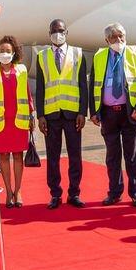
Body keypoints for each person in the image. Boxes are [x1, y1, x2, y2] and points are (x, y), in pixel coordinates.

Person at [90, 23, 136, 206]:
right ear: (107, 40)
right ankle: (114, 192)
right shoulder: (99, 57)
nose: (119, 39)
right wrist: (94, 111)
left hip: (129, 112)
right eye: (114, 37)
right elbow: (93, 84)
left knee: (132, 156)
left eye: (121, 35)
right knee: (112, 157)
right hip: (108, 113)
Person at [36, 19, 89, 209]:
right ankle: (55, 194)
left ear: (66, 32)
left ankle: (74, 193)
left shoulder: (78, 53)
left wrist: (83, 112)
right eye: (53, 31)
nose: (57, 34)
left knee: (75, 156)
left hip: (73, 114)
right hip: (51, 114)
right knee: (53, 157)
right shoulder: (41, 56)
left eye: (60, 30)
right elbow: (40, 87)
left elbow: (83, 85)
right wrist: (40, 115)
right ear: (49, 33)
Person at [0, 36, 35, 207]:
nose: (4, 53)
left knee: (18, 156)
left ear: (14, 53)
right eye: (2, 51)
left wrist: (32, 115)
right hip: (0, 122)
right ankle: (8, 191)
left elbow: (27, 95)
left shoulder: (21, 70)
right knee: (3, 156)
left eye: (8, 51)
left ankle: (18, 191)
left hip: (19, 120)